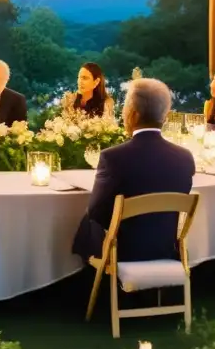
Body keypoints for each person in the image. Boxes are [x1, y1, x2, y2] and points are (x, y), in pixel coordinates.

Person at [72, 78, 196, 262]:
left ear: (133, 114)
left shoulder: (113, 158)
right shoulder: (185, 157)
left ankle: (89, 283)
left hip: (123, 251)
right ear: (165, 115)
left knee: (87, 222)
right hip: (165, 248)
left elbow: (97, 212)